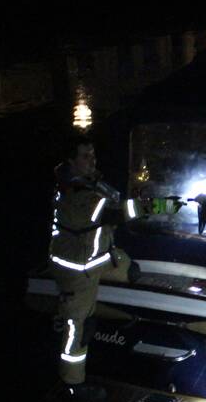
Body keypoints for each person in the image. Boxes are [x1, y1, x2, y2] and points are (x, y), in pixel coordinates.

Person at [49, 133, 142, 387]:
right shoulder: (76, 193)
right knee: (78, 328)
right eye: (85, 156)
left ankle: (126, 320)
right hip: (76, 268)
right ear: (70, 161)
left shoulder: (92, 183)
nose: (92, 160)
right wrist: (163, 206)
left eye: (93, 155)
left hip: (96, 258)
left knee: (132, 271)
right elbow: (121, 212)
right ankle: (71, 383)